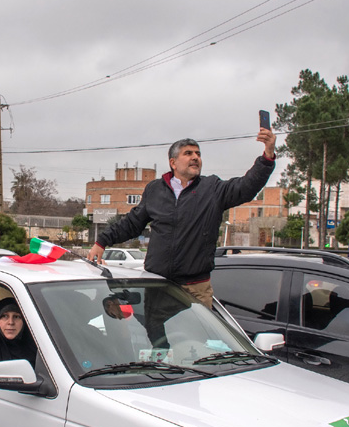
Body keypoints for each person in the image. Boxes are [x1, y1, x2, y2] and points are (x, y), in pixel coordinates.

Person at [88, 129, 276, 306]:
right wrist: (102, 241)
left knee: (198, 341)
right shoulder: (155, 189)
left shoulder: (213, 188)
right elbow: (132, 223)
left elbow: (246, 187)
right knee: (157, 341)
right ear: (173, 163)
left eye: (198, 153)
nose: (195, 157)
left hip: (195, 290)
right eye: (188, 153)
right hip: (158, 285)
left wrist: (267, 157)